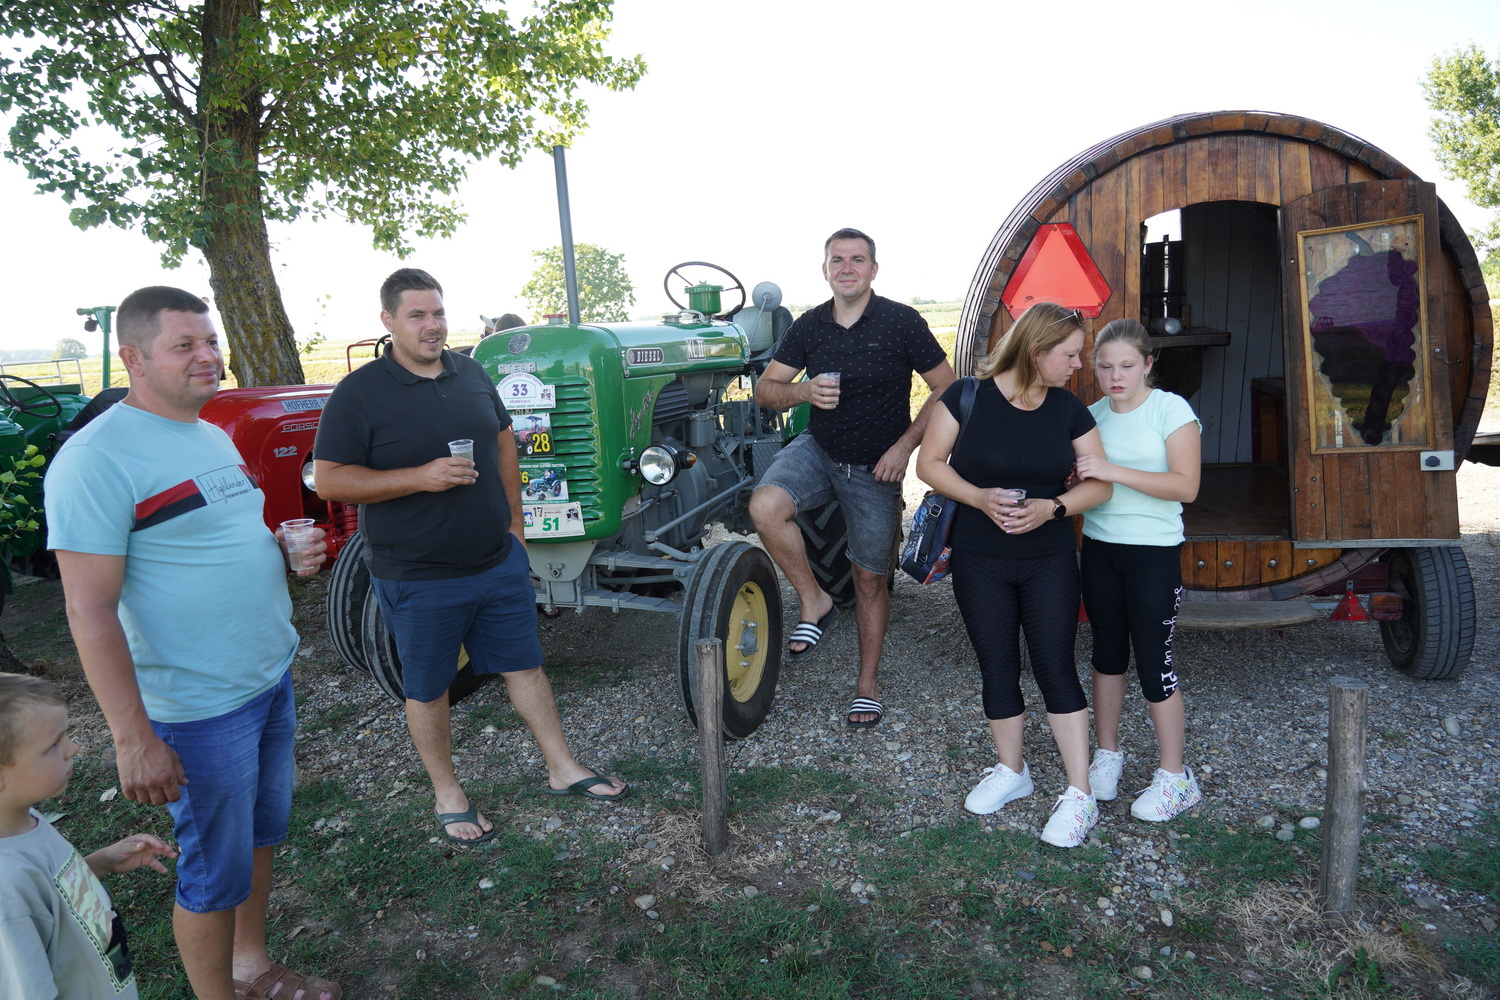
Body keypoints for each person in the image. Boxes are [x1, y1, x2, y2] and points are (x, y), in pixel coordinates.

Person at [46, 286, 340, 1000]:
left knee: (258, 838)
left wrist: (282, 551)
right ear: (134, 358)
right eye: (185, 345)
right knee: (212, 871)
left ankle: (251, 968)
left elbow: (217, 542)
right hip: (197, 705)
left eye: (210, 340)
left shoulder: (209, 434)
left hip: (265, 677)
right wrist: (132, 738)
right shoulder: (96, 459)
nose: (208, 355)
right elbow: (89, 608)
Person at [313, 268, 626, 847]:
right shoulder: (359, 392)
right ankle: (448, 794)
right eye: (417, 315)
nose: (431, 326)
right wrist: (420, 477)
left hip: (495, 560)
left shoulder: (472, 371)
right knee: (428, 687)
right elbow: (329, 479)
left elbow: (504, 440)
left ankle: (562, 767)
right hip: (419, 573)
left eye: (437, 313)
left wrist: (516, 526)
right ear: (388, 321)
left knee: (525, 667)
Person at [915, 302, 1112, 848]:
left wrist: (1054, 508)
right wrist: (979, 497)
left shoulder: (1069, 409)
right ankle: (1012, 770)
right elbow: (928, 464)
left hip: (1049, 558)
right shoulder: (965, 397)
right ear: (1036, 351)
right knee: (996, 665)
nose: (1078, 365)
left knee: (1055, 665)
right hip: (979, 557)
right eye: (1070, 354)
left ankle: (1080, 794)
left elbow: (1099, 486)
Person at [751, 228, 955, 727]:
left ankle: (867, 683)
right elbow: (766, 390)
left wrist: (905, 447)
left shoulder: (901, 321)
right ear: (825, 270)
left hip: (874, 465)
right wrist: (803, 392)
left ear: (873, 269)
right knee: (764, 506)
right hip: (819, 449)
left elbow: (947, 388)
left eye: (857, 259)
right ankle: (814, 598)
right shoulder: (810, 325)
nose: (847, 268)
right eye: (837, 260)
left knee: (868, 579)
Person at [1074, 318, 1204, 821]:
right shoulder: (1091, 416)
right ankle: (1108, 755)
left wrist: (1111, 471)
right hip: (1101, 548)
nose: (1116, 377)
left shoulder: (1171, 410)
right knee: (1107, 656)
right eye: (1105, 367)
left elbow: (1185, 486)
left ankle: (1176, 778)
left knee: (1154, 662)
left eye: (1127, 366)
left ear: (1148, 364)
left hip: (1153, 552)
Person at [0, 674, 177, 1000]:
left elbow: (50, 894)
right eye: (53, 745)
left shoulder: (24, 820)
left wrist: (103, 861)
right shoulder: (6, 889)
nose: (73, 748)